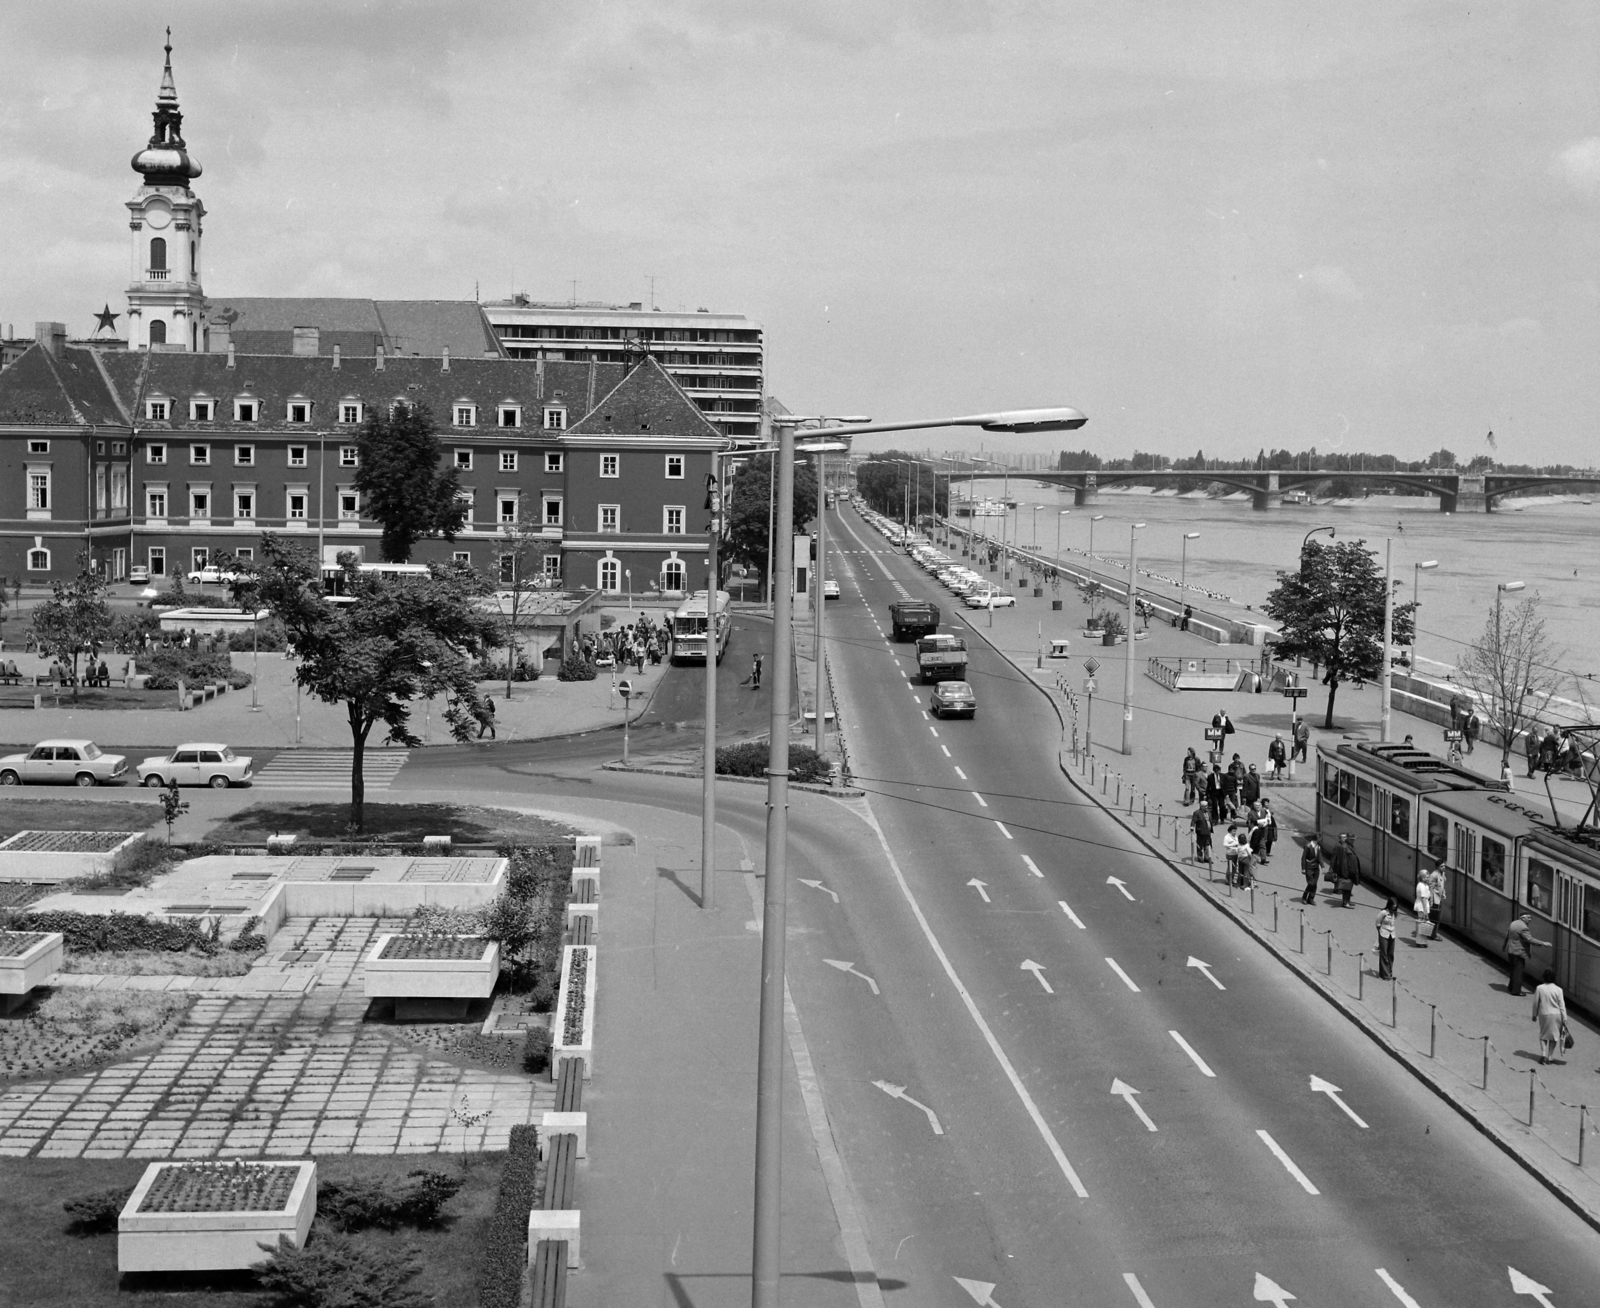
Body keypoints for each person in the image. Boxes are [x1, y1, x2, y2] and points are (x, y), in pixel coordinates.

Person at [1504, 911, 1549, 997]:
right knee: (1519, 972)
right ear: (1522, 918)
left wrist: (1505, 947)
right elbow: (1529, 939)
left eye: (1530, 918)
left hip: (1510, 950)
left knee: (1513, 970)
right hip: (1518, 952)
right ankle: (1516, 991)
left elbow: (1507, 935)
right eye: (1528, 918)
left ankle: (1511, 987)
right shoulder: (1524, 927)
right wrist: (1543, 943)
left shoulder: (1513, 923)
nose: (1530, 920)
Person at [1532, 970, 1569, 1065]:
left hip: (1544, 1014)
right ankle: (1550, 1057)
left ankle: (1543, 1054)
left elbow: (1536, 1003)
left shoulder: (1539, 988)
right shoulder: (1559, 990)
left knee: (1543, 1034)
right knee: (1554, 1036)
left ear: (1544, 977)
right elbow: (1562, 1005)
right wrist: (1564, 1018)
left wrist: (1534, 1014)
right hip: (1557, 1015)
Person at [1332, 833, 1361, 908]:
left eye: (1354, 839)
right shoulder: (1344, 847)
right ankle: (1345, 902)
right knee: (1346, 887)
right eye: (1351, 839)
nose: (1353, 841)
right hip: (1347, 872)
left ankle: (1347, 900)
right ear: (1347, 839)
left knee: (1349, 887)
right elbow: (1343, 862)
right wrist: (1345, 874)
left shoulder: (1349, 846)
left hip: (1351, 871)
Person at [1376, 898, 1397, 979]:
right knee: (1384, 954)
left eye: (1395, 907)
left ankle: (1389, 971)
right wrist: (1380, 934)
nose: (1394, 909)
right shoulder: (1383, 913)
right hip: (1384, 934)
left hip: (1392, 935)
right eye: (1392, 907)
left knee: (1390, 954)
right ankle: (1385, 974)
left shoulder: (1394, 913)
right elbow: (1377, 923)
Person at [1425, 861, 1446, 941]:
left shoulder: (1442, 874)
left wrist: (1443, 893)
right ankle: (1432, 934)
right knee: (1434, 918)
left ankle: (1433, 933)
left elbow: (1442, 886)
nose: (1443, 868)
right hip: (1435, 900)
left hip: (1439, 898)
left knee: (1437, 918)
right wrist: (1431, 902)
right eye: (1441, 866)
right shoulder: (1434, 875)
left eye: (1444, 866)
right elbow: (1431, 889)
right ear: (1437, 867)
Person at [1412, 868, 1433, 945]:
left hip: (1423, 904)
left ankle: (1423, 941)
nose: (1428, 878)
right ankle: (1420, 941)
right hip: (1421, 906)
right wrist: (1426, 913)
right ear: (1423, 878)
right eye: (1427, 877)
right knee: (1422, 923)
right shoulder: (1421, 886)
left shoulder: (1424, 885)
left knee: (1423, 923)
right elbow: (1424, 899)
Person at [1300, 838, 1322, 904]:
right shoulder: (1308, 846)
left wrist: (1323, 866)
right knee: (1311, 883)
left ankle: (1311, 898)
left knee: (1314, 884)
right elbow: (1303, 857)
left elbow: (1320, 857)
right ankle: (1304, 897)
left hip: (1316, 868)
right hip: (1309, 868)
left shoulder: (1318, 846)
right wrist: (1303, 868)